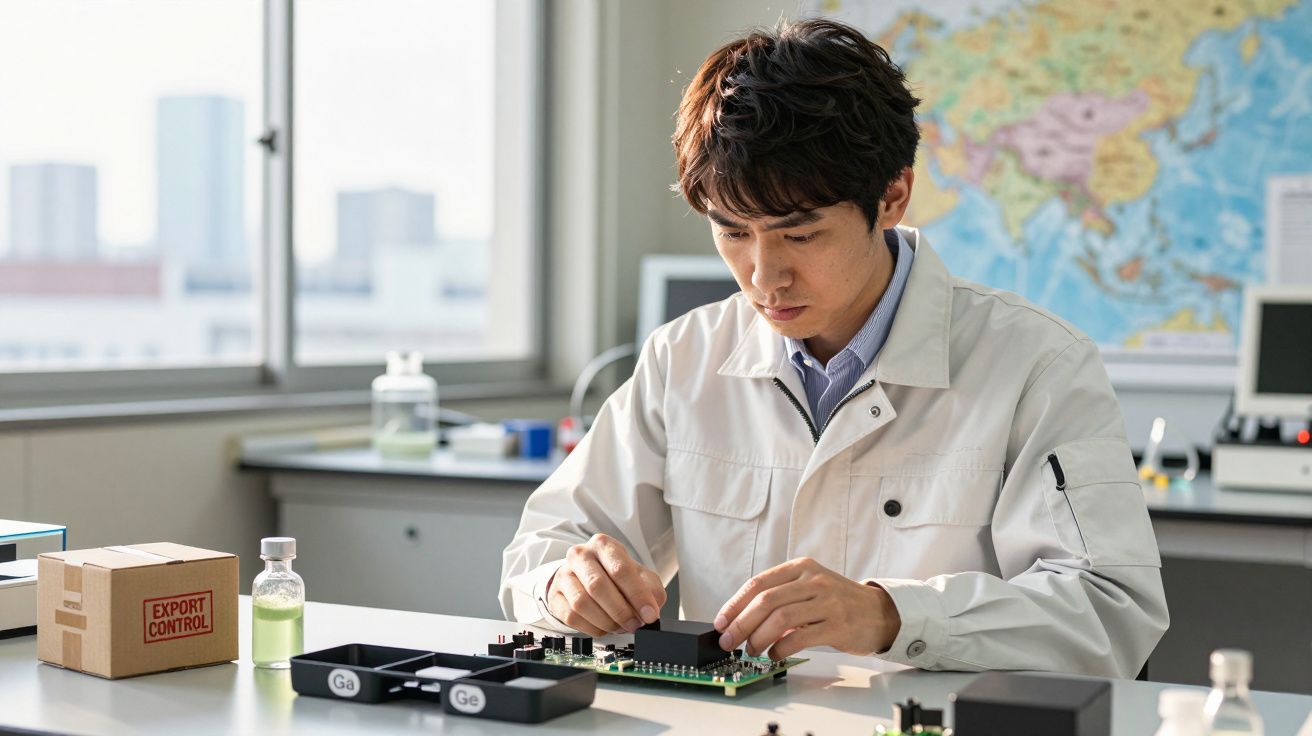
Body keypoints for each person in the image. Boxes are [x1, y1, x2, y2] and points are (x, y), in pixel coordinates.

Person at [500, 17, 1167, 677]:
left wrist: (890, 618)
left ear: (894, 196)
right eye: (733, 233)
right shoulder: (684, 358)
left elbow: (1109, 613)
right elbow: (538, 552)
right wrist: (565, 585)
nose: (764, 276)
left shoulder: (1037, 364)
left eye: (799, 234)